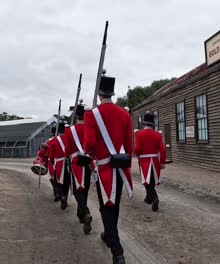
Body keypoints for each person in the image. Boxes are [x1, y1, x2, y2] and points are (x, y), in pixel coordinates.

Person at [84, 75, 133, 264]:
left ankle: (117, 250)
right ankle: (108, 235)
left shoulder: (91, 114)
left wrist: (90, 152)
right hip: (120, 166)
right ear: (112, 94)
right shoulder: (124, 114)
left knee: (106, 207)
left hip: (104, 166)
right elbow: (129, 145)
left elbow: (88, 144)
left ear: (99, 95)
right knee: (115, 205)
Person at [64, 102, 93, 234]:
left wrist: (67, 156)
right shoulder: (90, 128)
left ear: (76, 117)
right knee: (85, 189)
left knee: (76, 190)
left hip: (75, 161)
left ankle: (85, 213)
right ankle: (81, 215)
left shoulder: (69, 130)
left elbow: (67, 150)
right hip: (87, 161)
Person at [134, 111, 166, 211]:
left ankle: (155, 198)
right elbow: (163, 150)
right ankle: (148, 198)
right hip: (155, 160)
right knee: (151, 180)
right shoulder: (158, 135)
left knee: (147, 181)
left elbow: (137, 148)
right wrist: (162, 162)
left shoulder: (139, 134)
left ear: (144, 123)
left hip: (144, 160)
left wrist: (136, 153)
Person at [49, 119, 70, 210]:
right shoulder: (69, 138)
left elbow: (51, 155)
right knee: (67, 182)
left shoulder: (53, 141)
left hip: (59, 163)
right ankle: (65, 197)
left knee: (59, 182)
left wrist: (53, 162)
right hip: (68, 163)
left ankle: (62, 197)